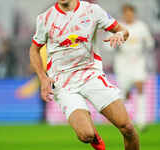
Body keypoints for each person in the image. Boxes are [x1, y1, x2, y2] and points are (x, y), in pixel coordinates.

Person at [30, 0, 139, 150]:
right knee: (85, 135)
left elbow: (124, 31)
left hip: (91, 76)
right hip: (63, 83)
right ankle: (92, 134)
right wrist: (43, 78)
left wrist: (120, 34)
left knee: (127, 127)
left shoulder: (92, 11)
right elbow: (34, 50)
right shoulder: (45, 18)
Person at [113, 4, 155, 131]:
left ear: (134, 14)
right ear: (123, 14)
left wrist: (149, 44)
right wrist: (116, 43)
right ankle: (123, 120)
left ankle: (141, 121)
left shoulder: (141, 26)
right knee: (124, 94)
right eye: (126, 13)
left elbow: (150, 43)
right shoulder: (117, 27)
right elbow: (108, 46)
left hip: (138, 62)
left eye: (130, 13)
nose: (128, 15)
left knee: (140, 86)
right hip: (122, 64)